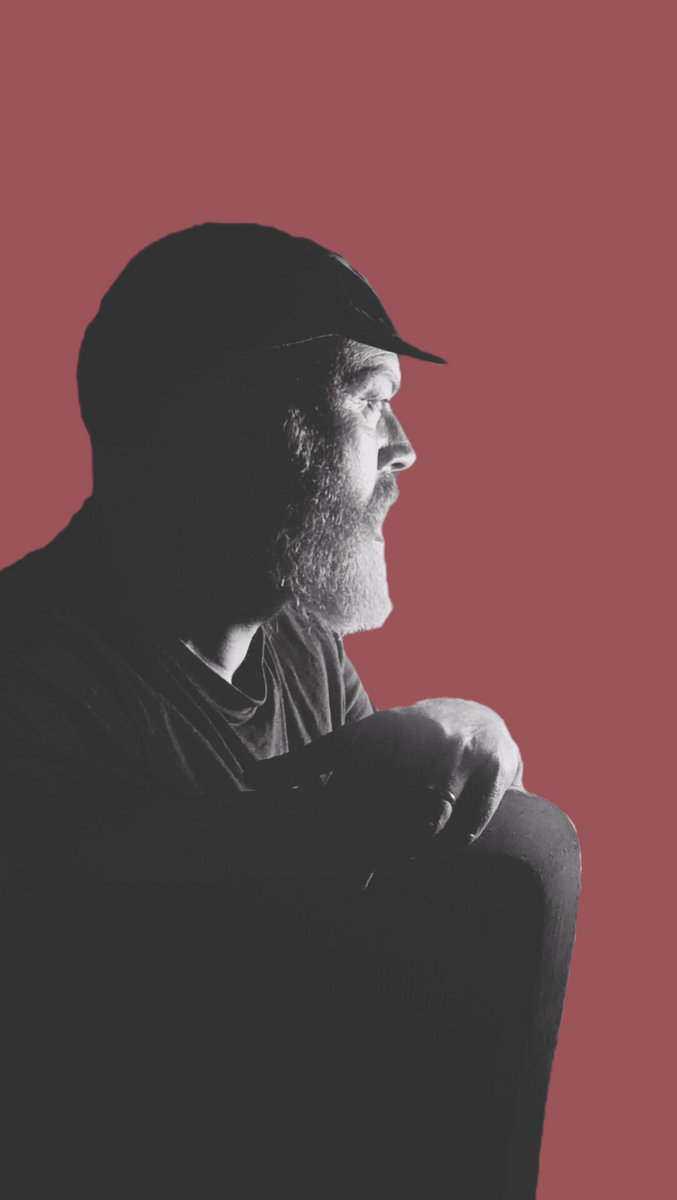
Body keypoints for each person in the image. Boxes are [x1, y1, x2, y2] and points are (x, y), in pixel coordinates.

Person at [0, 224, 578, 1198]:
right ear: (233, 425)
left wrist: (464, 744)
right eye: (370, 401)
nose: (404, 449)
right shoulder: (28, 679)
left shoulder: (301, 649)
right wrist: (343, 816)